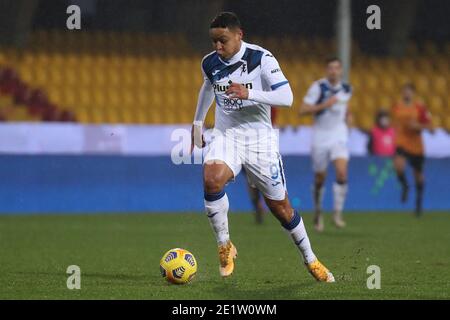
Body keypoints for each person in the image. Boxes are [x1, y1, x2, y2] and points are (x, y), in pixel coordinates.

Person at [191, 12, 334, 282]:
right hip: (226, 135)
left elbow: (287, 97)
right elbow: (207, 86)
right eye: (213, 42)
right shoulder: (210, 63)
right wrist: (198, 123)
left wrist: (250, 93)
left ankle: (310, 259)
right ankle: (225, 246)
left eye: (222, 41)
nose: (217, 47)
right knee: (211, 180)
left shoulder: (261, 59)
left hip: (259, 142)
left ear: (238, 35)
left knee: (281, 209)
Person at [299, 57, 352, 232]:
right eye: (330, 68)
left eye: (337, 68)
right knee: (320, 178)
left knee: (342, 174)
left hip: (339, 134)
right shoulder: (318, 87)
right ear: (326, 70)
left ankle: (337, 213)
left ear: (341, 70)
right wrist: (324, 105)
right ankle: (318, 212)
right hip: (321, 136)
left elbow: (345, 109)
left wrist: (349, 122)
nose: (333, 71)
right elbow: (303, 110)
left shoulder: (346, 88)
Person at [391, 83, 433, 216]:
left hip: (416, 145)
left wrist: (418, 126)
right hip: (402, 142)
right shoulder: (397, 107)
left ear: (413, 93)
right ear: (402, 93)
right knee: (398, 165)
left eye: (409, 91)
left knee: (418, 175)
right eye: (405, 91)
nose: (407, 94)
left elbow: (431, 128)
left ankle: (418, 204)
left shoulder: (420, 108)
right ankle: (405, 186)